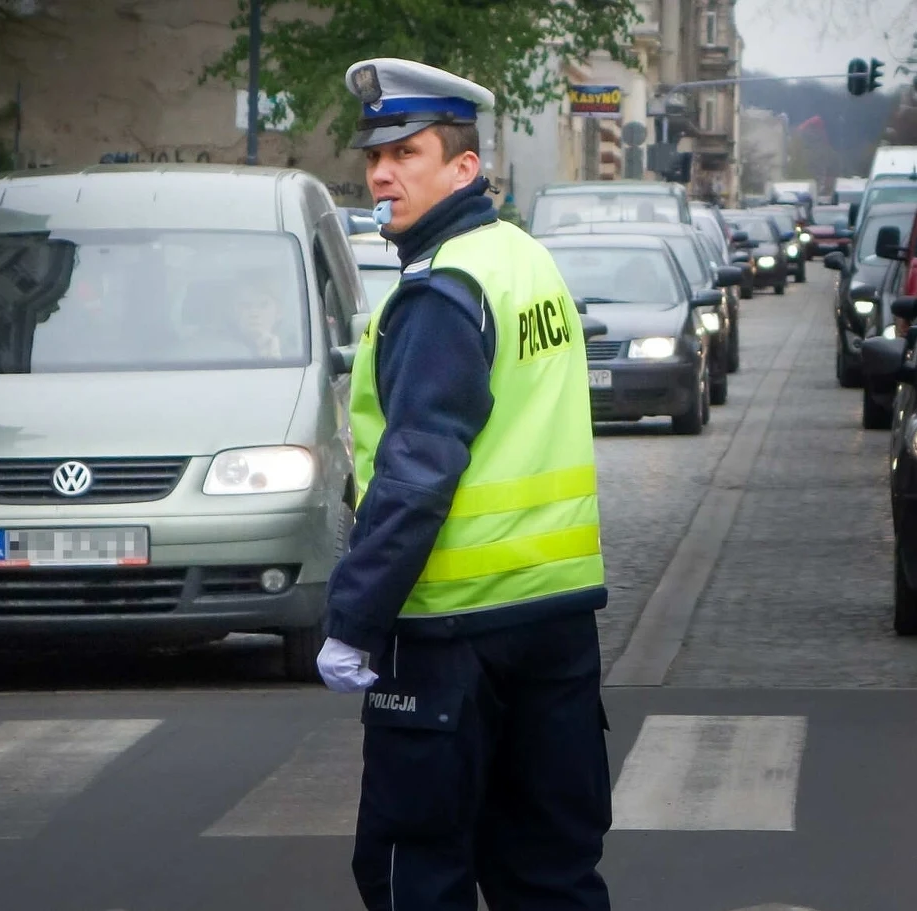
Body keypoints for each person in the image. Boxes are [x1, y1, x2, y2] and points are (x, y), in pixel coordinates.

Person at [315, 57, 612, 911]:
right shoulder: (523, 259)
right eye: (375, 156)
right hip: (555, 619)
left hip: (452, 633)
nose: (380, 173)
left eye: (406, 152)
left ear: (463, 167)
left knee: (417, 871)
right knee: (550, 873)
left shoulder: (442, 287)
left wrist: (355, 617)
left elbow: (416, 471)